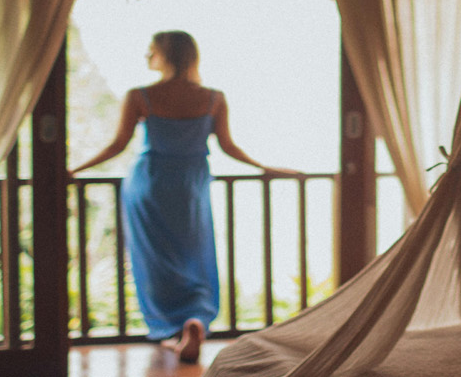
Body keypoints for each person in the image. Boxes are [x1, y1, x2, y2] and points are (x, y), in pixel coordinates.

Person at [71, 30, 296, 363]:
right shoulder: (212, 98)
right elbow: (228, 146)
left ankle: (173, 328)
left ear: (166, 55)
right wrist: (266, 167)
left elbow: (117, 145)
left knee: (156, 260)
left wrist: (74, 170)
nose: (147, 56)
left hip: (150, 184)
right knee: (195, 255)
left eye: (151, 51)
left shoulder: (141, 96)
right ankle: (195, 320)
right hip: (190, 185)